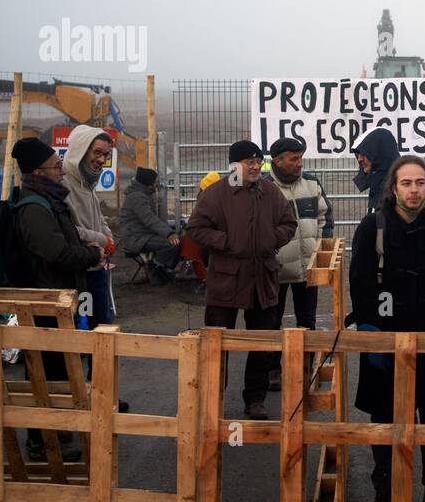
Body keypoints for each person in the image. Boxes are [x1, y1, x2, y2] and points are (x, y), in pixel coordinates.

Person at [348, 155, 425, 502]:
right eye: (406, 183)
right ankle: (387, 488)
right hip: (384, 335)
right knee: (384, 416)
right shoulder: (372, 228)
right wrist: (368, 332)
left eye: (419, 182)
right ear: (394, 187)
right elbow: (360, 282)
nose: (414, 190)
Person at [7, 137, 105, 462]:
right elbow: (57, 251)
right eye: (54, 166)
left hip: (57, 302)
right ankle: (40, 441)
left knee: (59, 370)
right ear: (38, 171)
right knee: (42, 374)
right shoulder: (34, 207)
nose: (61, 172)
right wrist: (90, 255)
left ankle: (58, 431)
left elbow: (67, 238)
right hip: (42, 304)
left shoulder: (48, 199)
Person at [186, 140, 297, 420]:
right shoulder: (215, 194)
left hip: (263, 280)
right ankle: (213, 400)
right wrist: (226, 242)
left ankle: (255, 400)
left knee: (261, 344)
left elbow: (289, 223)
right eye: (250, 162)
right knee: (216, 344)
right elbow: (196, 228)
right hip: (226, 281)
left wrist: (272, 238)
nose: (256, 166)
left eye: (259, 162)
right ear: (234, 165)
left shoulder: (270, 192)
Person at [267, 137, 334, 389]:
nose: (299, 163)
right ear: (278, 161)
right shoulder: (265, 187)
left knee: (307, 321)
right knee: (272, 322)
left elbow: (325, 217)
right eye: (294, 159)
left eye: (300, 157)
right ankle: (273, 369)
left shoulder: (312, 183)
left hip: (307, 268)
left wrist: (319, 248)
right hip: (276, 270)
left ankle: (305, 369)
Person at [61, 125, 117, 325]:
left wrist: (109, 236)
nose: (102, 160)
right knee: (86, 328)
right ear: (81, 150)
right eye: (97, 152)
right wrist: (103, 239)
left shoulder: (88, 181)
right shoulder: (63, 184)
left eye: (106, 154)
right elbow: (67, 230)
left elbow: (98, 215)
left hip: (96, 268)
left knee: (100, 327)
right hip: (77, 274)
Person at [120, 167, 180, 283]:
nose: (156, 185)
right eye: (154, 183)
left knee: (174, 239)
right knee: (172, 243)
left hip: (140, 235)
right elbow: (150, 220)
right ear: (148, 184)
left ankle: (159, 268)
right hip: (137, 239)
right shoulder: (138, 197)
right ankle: (157, 269)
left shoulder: (140, 193)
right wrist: (169, 233)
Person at [352, 127, 399, 213]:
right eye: (358, 154)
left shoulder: (395, 190)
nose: (359, 159)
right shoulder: (378, 184)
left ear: (379, 153)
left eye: (364, 153)